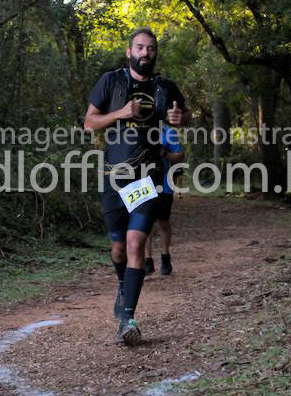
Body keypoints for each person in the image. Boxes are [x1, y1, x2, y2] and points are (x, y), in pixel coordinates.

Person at [84, 28, 188, 345]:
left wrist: (178, 118)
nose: (146, 53)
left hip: (148, 178)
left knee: (135, 245)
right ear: (129, 51)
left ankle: (128, 319)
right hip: (114, 177)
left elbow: (183, 117)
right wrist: (121, 113)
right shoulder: (111, 81)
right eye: (140, 48)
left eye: (151, 49)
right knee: (117, 249)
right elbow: (89, 122)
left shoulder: (165, 87)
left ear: (156, 53)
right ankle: (122, 286)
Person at [145, 125, 184, 275]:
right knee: (144, 223)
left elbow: (179, 155)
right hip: (143, 183)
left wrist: (164, 152)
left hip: (164, 184)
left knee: (163, 222)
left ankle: (165, 256)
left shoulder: (169, 132)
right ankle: (147, 260)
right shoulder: (137, 130)